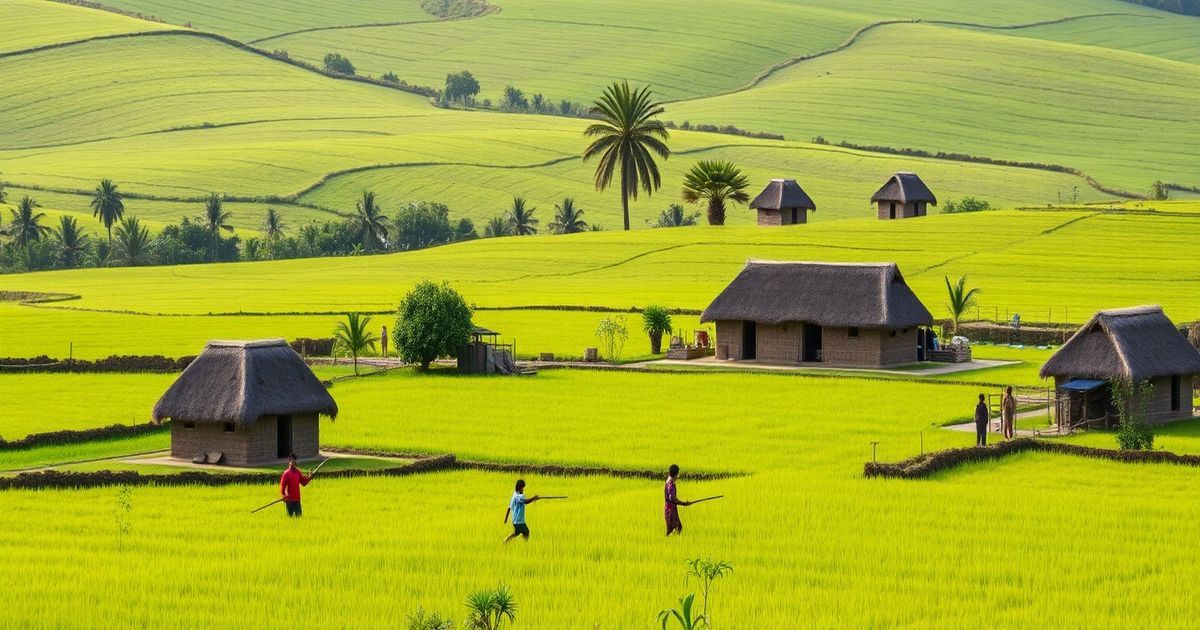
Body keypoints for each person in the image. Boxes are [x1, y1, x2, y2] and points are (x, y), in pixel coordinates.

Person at [665, 464, 692, 536]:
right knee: (677, 527)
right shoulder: (671, 484)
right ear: (675, 475)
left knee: (672, 529)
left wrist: (684, 503)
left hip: (669, 509)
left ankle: (669, 541)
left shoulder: (668, 482)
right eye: (678, 474)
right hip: (671, 511)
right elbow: (672, 498)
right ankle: (672, 541)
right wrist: (684, 503)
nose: (678, 476)